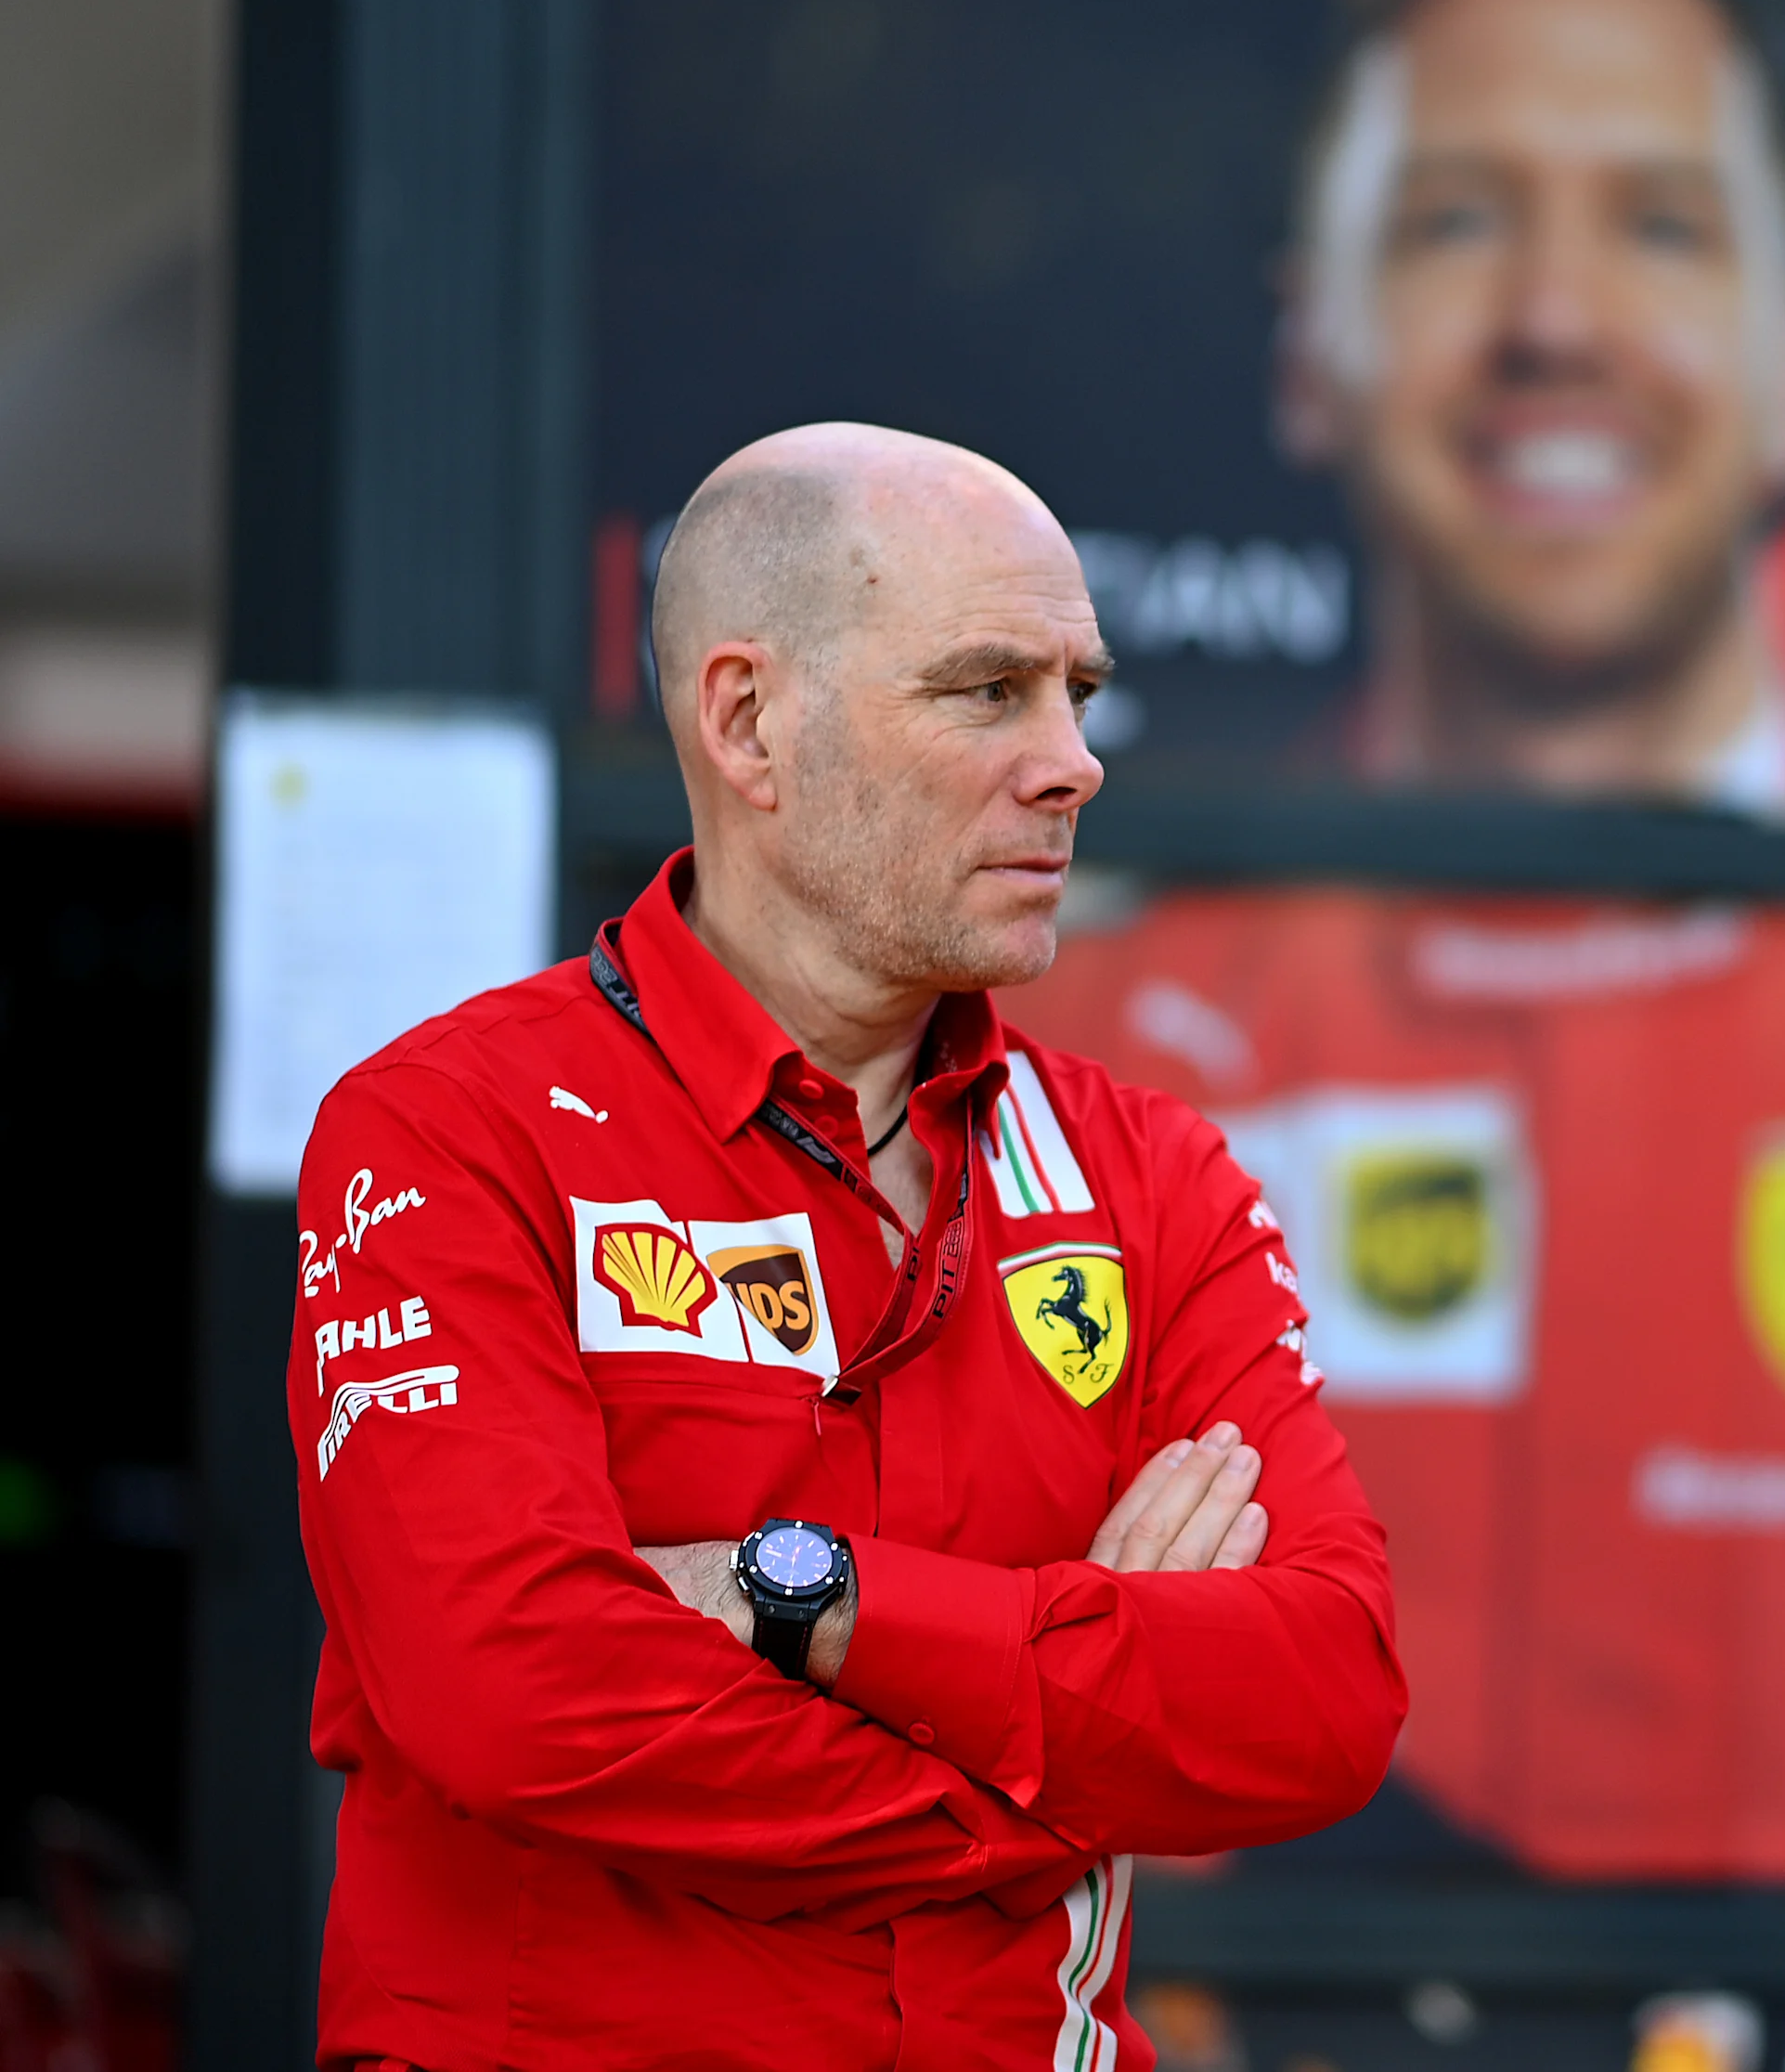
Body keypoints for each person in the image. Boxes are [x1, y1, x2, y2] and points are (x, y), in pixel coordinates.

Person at [286, 422, 1404, 2070]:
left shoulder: (1147, 1174)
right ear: (748, 721)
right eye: (985, 690)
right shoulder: (455, 1128)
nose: (1074, 760)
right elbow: (515, 1694)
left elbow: (1319, 1700)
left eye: (1078, 694)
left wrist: (800, 1596)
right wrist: (1048, 1762)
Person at [1274, 0, 1785, 803]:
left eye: (1663, 228)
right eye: (1457, 221)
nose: (1556, 321)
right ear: (1303, 353)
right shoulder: (1081, 932)